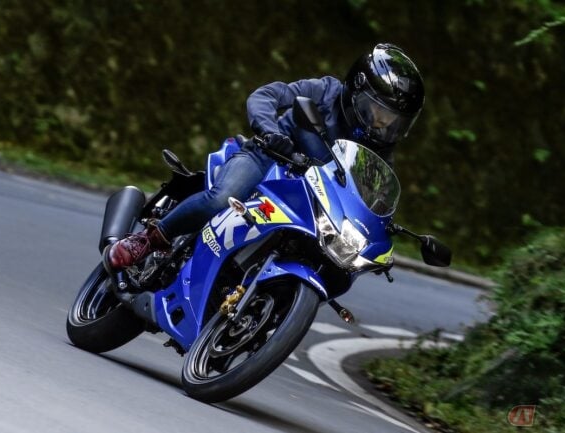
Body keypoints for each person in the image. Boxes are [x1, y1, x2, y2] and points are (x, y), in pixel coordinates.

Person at [103, 43, 425, 272]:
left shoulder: (380, 151)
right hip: (269, 159)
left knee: (337, 263)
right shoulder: (326, 92)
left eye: (394, 120)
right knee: (222, 199)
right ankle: (147, 240)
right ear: (357, 91)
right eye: (379, 111)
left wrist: (380, 225)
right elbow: (268, 95)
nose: (383, 123)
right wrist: (270, 132)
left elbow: (373, 196)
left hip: (312, 197)